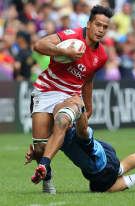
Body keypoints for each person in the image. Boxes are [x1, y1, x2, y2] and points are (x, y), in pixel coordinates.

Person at [25, 94, 135, 193]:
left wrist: (81, 107)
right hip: (103, 153)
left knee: (101, 187)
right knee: (120, 168)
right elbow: (49, 147)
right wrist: (36, 154)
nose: (63, 122)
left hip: (99, 165)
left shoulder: (77, 134)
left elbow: (83, 130)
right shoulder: (58, 134)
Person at [30, 5, 114, 192]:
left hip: (70, 96)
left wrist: (88, 108)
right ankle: (47, 175)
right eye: (98, 25)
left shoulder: (101, 56)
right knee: (39, 147)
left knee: (62, 120)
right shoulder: (71, 35)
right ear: (88, 24)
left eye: (105, 27)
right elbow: (38, 45)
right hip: (45, 90)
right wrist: (64, 52)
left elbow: (88, 80)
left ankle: (43, 165)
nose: (101, 30)